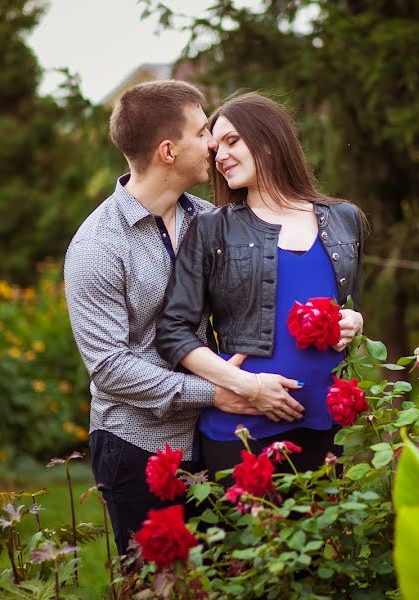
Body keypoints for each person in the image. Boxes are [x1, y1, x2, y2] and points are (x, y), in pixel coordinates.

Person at [64, 81, 273, 556]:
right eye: (203, 132)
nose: (214, 143)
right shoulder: (97, 246)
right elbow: (110, 367)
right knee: (155, 583)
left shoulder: (209, 219)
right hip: (136, 446)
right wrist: (217, 391)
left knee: (227, 578)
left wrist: (346, 318)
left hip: (214, 435)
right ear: (167, 150)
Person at [156, 92, 365, 475]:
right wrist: (240, 383)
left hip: (328, 427)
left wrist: (356, 321)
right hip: (243, 433)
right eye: (216, 148)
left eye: (233, 141)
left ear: (269, 142)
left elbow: (349, 305)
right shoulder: (211, 228)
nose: (220, 156)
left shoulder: (344, 219)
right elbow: (172, 331)